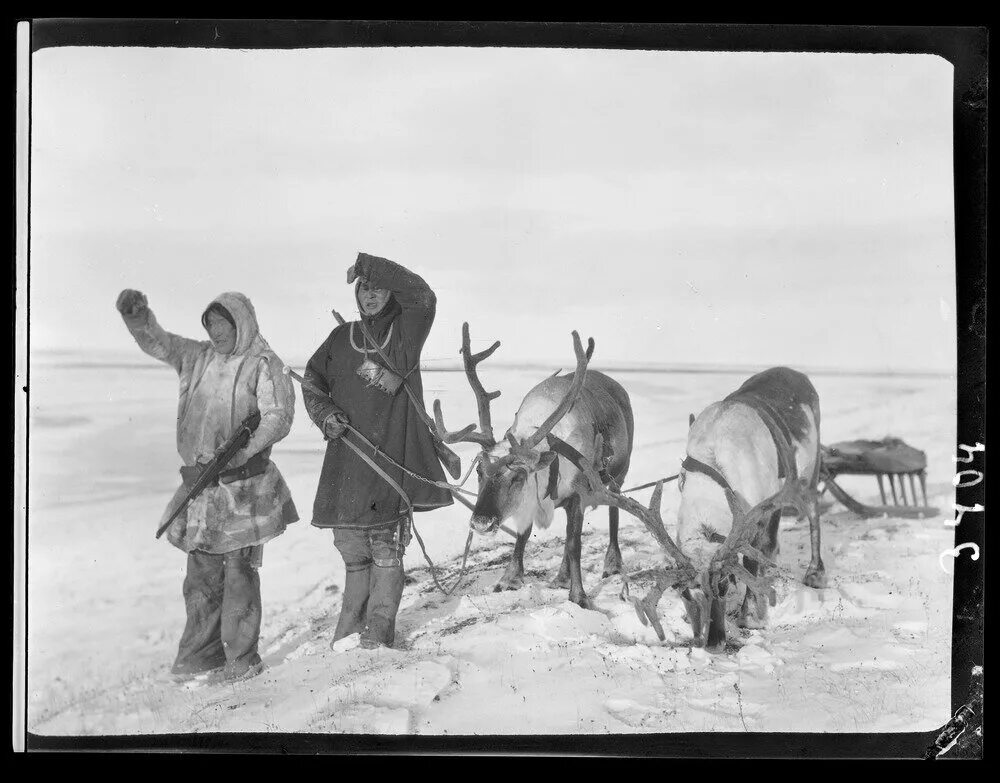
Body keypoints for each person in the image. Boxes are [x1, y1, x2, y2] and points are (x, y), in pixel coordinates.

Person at [115, 288, 298, 682]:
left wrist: (243, 450)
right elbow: (161, 343)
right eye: (210, 323)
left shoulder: (264, 364)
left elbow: (278, 416)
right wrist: (138, 318)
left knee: (239, 576)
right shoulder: (198, 358)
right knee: (200, 577)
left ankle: (242, 661)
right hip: (202, 488)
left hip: (245, 489)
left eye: (222, 324)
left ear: (241, 324)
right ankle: (200, 659)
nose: (215, 331)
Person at [302, 252, 453, 650]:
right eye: (364, 288)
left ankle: (379, 635)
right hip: (347, 460)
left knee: (386, 548)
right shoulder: (340, 338)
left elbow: (423, 296)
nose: (369, 295)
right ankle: (348, 632)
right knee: (352, 550)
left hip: (391, 458)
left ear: (392, 293)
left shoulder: (405, 335)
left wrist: (368, 264)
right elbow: (312, 380)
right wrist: (325, 414)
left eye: (379, 288)